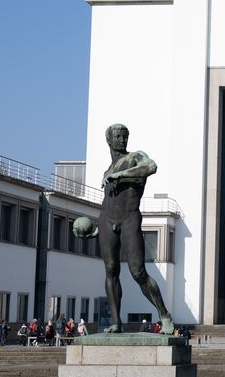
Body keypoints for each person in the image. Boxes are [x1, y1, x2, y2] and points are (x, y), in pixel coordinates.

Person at [72, 124, 175, 334]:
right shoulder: (107, 171)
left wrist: (121, 175)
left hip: (129, 219)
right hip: (107, 221)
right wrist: (96, 229)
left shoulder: (135, 157)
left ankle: (164, 315)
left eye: (124, 136)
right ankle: (116, 321)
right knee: (111, 270)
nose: (122, 139)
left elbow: (151, 166)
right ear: (109, 140)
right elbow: (107, 203)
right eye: (117, 136)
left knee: (138, 272)